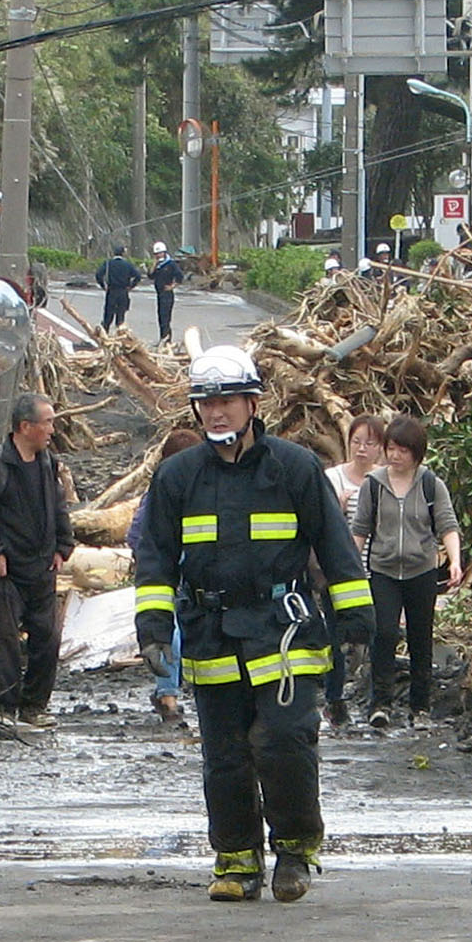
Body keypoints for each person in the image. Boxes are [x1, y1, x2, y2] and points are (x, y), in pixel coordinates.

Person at [134, 346, 374, 904]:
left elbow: (336, 550)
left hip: (281, 631)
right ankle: (237, 858)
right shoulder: (177, 477)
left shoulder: (293, 468)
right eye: (206, 403)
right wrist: (151, 627)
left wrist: (358, 622)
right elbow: (155, 560)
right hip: (211, 633)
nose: (216, 413)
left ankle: (294, 850)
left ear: (252, 403)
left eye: (227, 402)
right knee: (225, 755)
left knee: (286, 742)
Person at [0, 392, 74, 727]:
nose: (52, 430)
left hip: (41, 568)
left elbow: (58, 507)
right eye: (48, 423)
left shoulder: (46, 463)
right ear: (25, 426)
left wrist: (62, 547)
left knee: (48, 638)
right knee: (5, 641)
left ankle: (34, 707)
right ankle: (2, 708)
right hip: (5, 571)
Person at [350, 414, 463, 732]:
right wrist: (346, 566)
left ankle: (420, 707)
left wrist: (454, 561)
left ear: (416, 453)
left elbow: (447, 525)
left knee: (420, 638)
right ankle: (380, 704)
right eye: (391, 449)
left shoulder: (430, 484)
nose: (395, 456)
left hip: (421, 570)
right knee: (384, 633)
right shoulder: (374, 486)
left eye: (403, 450)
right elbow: (360, 529)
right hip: (383, 569)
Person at [126, 426, 203, 721]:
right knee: (182, 628)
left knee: (168, 630)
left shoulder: (158, 491)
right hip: (185, 570)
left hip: (165, 569)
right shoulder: (201, 491)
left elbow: (135, 535)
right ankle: (177, 692)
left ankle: (168, 693)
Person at [319, 415, 386, 727]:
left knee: (377, 635)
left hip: (379, 568)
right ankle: (335, 699)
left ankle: (376, 702)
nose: (362, 449)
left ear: (380, 449)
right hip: (340, 572)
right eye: (356, 442)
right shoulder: (332, 478)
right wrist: (340, 504)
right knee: (336, 636)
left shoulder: (385, 480)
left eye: (369, 443)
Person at [95, 243, 141, 332]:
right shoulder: (127, 265)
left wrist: (103, 285)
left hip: (112, 290)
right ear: (123, 253)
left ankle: (105, 333)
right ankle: (120, 335)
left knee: (108, 315)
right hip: (123, 291)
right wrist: (131, 286)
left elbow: (98, 274)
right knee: (121, 316)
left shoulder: (108, 263)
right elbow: (138, 276)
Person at [149, 241, 183, 345]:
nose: (158, 256)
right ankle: (162, 337)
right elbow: (150, 275)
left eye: (159, 253)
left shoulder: (171, 264)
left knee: (165, 317)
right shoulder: (158, 265)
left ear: (164, 252)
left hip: (167, 294)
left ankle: (167, 340)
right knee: (160, 316)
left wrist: (173, 286)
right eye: (156, 254)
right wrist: (154, 265)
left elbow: (180, 276)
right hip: (159, 293)